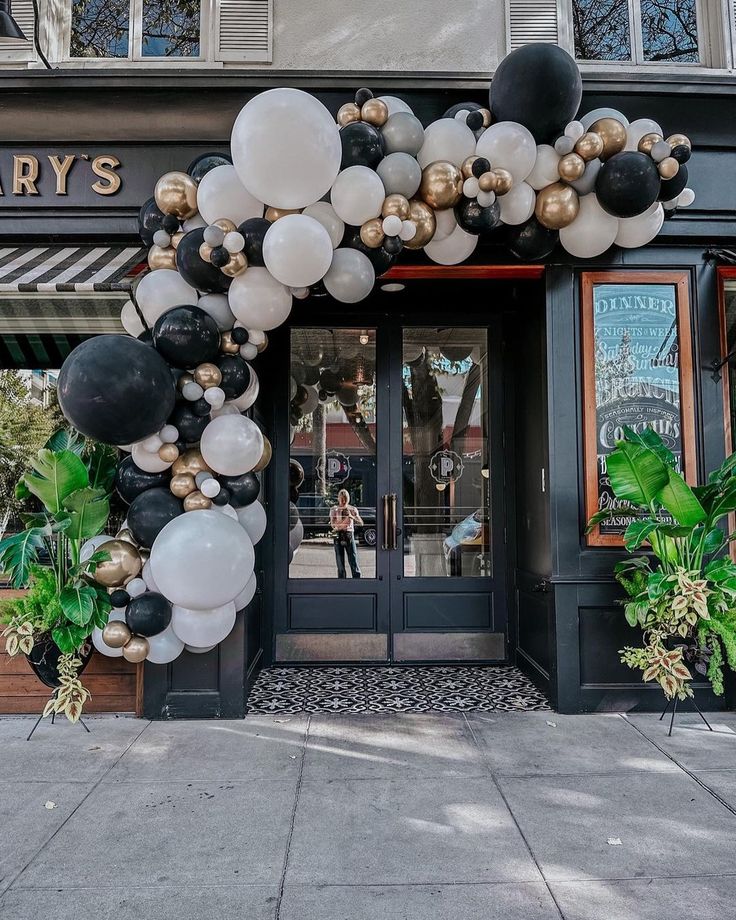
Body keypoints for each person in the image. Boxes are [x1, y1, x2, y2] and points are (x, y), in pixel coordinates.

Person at [330, 488, 363, 578]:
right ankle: (342, 582)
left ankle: (357, 582)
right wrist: (343, 522)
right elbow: (333, 525)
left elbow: (361, 522)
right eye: (341, 499)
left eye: (345, 499)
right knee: (339, 562)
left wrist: (352, 516)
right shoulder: (334, 509)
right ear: (338, 498)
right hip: (337, 534)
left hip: (348, 534)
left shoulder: (352, 509)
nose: (343, 501)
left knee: (353, 559)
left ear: (348, 499)